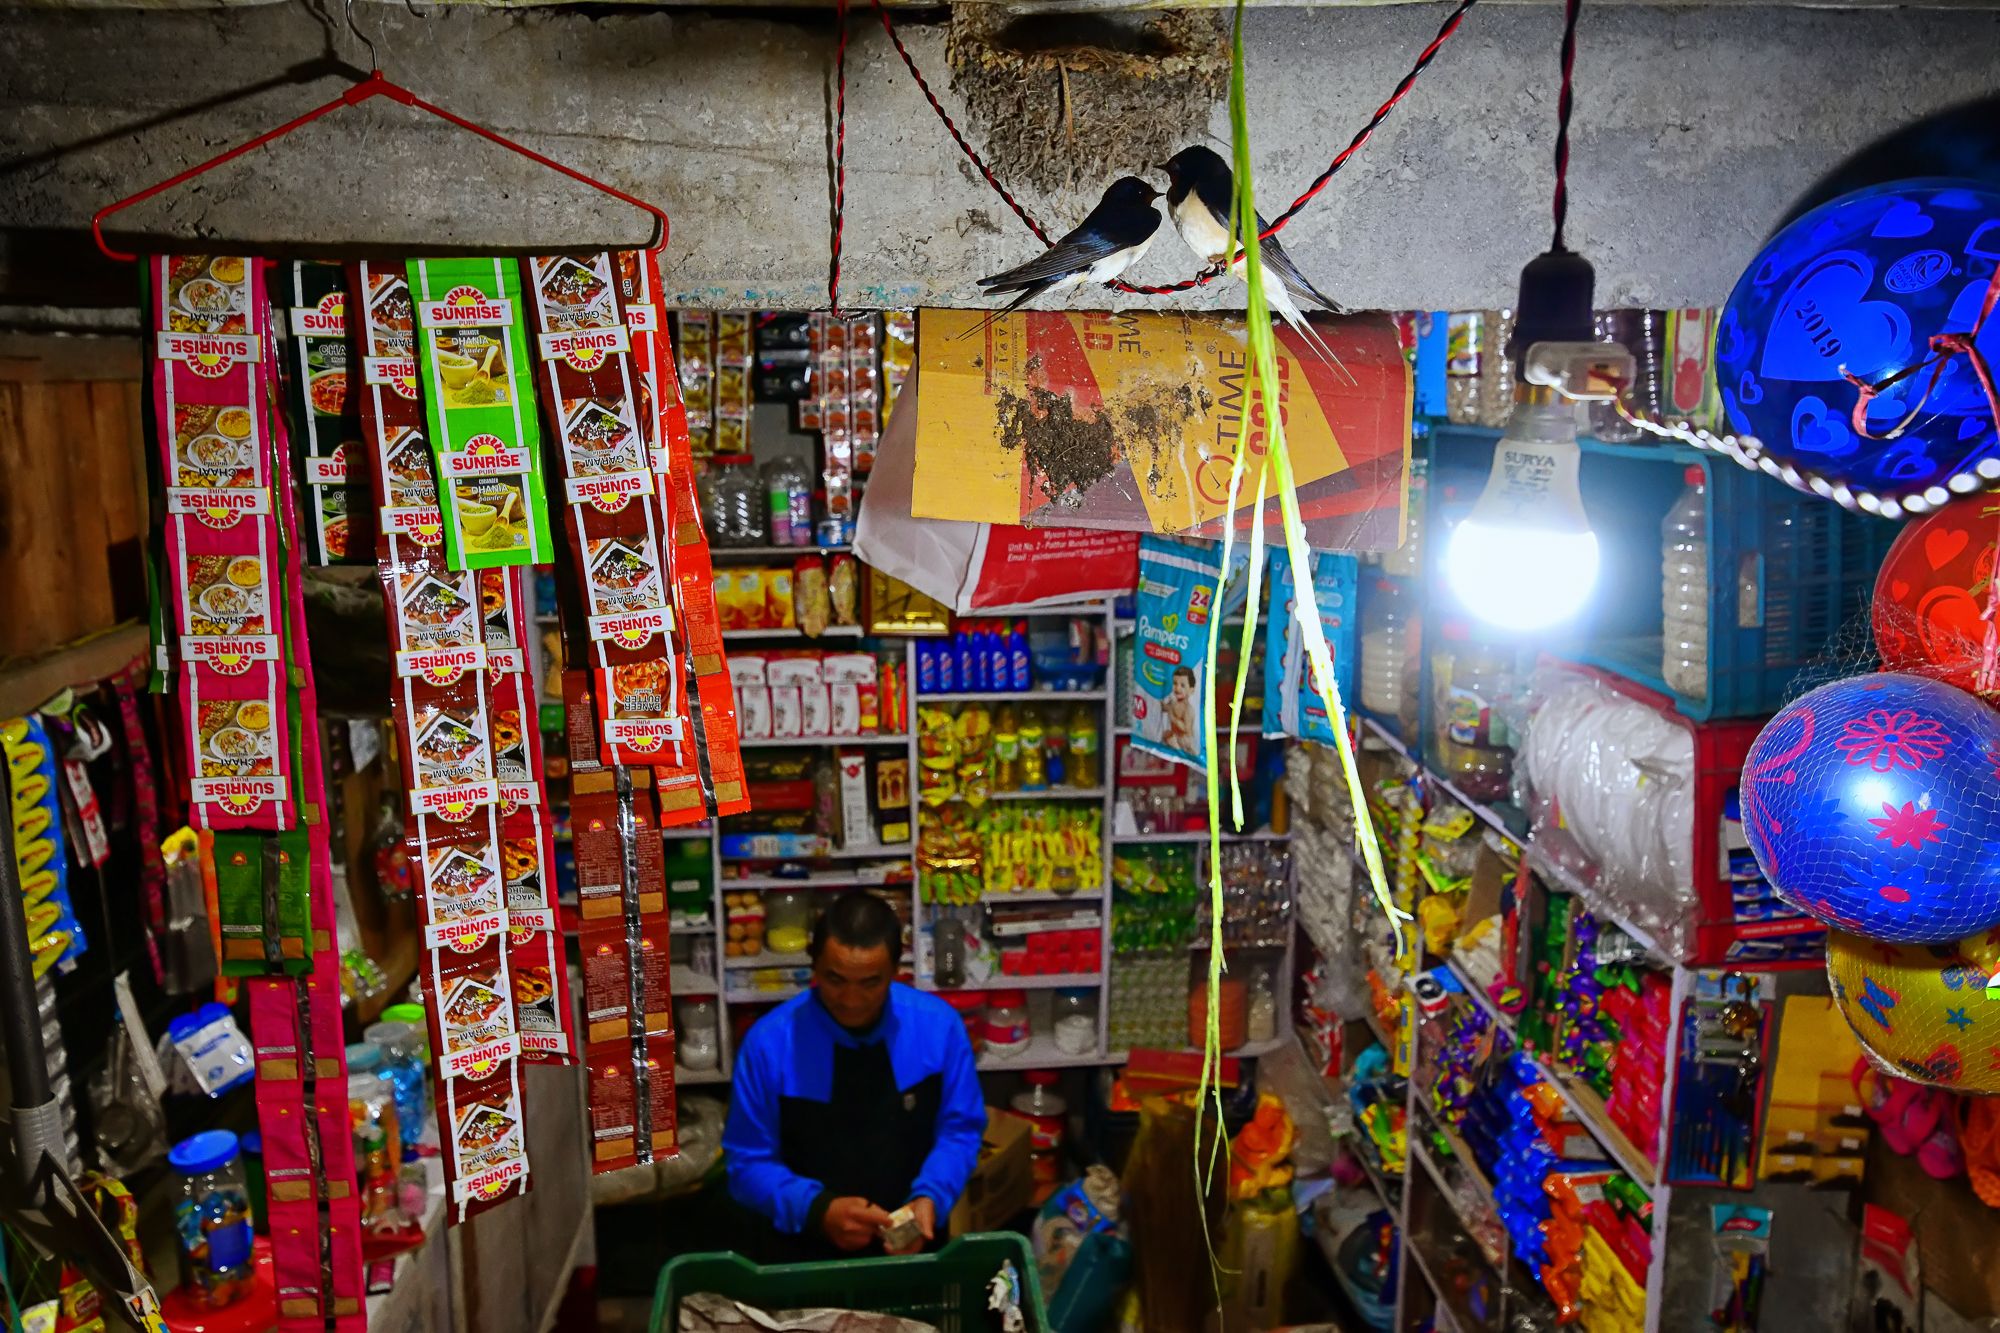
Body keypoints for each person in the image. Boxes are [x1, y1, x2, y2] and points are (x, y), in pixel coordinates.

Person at [723, 890, 987, 1260]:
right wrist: (816, 1210)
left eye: (870, 983)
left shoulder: (939, 1029)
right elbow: (746, 1164)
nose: (851, 1000)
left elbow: (960, 1131)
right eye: (835, 979)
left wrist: (931, 1197)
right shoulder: (768, 1045)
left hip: (912, 1248)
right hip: (802, 1255)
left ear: (896, 972)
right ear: (813, 966)